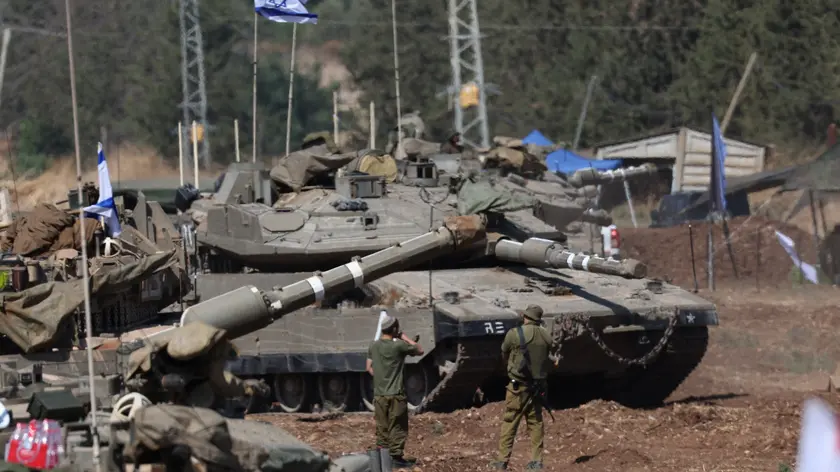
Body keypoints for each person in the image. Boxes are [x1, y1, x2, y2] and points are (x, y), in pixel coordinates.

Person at [492, 304, 552, 470]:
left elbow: (504, 352)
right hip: (537, 387)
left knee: (510, 421)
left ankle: (502, 461)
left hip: (517, 387)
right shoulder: (546, 335)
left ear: (525, 317)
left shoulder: (514, 334)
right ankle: (536, 461)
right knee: (536, 422)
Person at [366, 314, 424, 468]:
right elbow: (420, 350)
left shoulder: (373, 346)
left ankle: (382, 461)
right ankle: (396, 458)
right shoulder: (398, 346)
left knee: (382, 428)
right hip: (396, 395)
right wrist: (404, 337)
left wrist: (382, 377)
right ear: (394, 329)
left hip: (380, 394)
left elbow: (369, 368)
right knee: (398, 427)